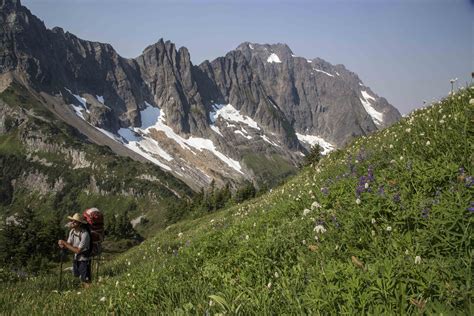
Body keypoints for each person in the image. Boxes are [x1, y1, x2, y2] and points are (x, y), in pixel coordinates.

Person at [58, 213, 91, 286]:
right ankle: (85, 292)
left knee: (85, 279)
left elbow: (78, 250)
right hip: (76, 258)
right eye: (72, 220)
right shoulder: (72, 231)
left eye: (75, 221)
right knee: (77, 275)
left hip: (84, 259)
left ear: (79, 224)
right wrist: (63, 244)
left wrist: (65, 243)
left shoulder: (85, 234)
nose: (72, 222)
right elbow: (69, 244)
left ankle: (90, 292)